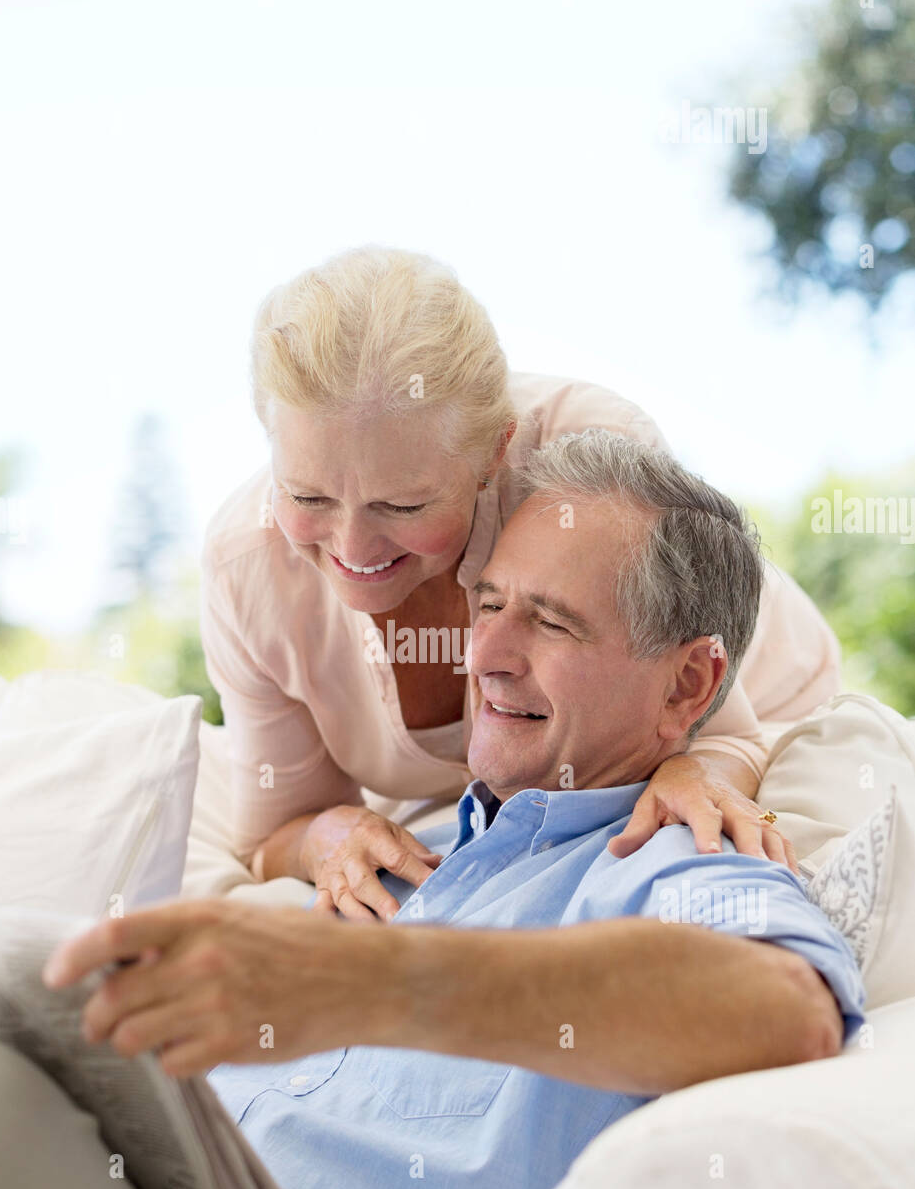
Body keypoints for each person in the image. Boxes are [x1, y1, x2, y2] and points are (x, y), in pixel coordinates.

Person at [0, 428, 861, 1189]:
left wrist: (370, 981)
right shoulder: (410, 854)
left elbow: (782, 1008)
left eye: (552, 623)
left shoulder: (662, 862)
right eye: (487, 603)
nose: (485, 655)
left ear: (686, 683)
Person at [201, 245, 839, 920]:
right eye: (307, 496)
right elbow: (277, 830)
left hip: (760, 715)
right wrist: (327, 836)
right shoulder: (248, 567)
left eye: (404, 506)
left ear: (494, 453)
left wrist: (695, 770)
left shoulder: (591, 455)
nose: (352, 549)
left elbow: (717, 734)